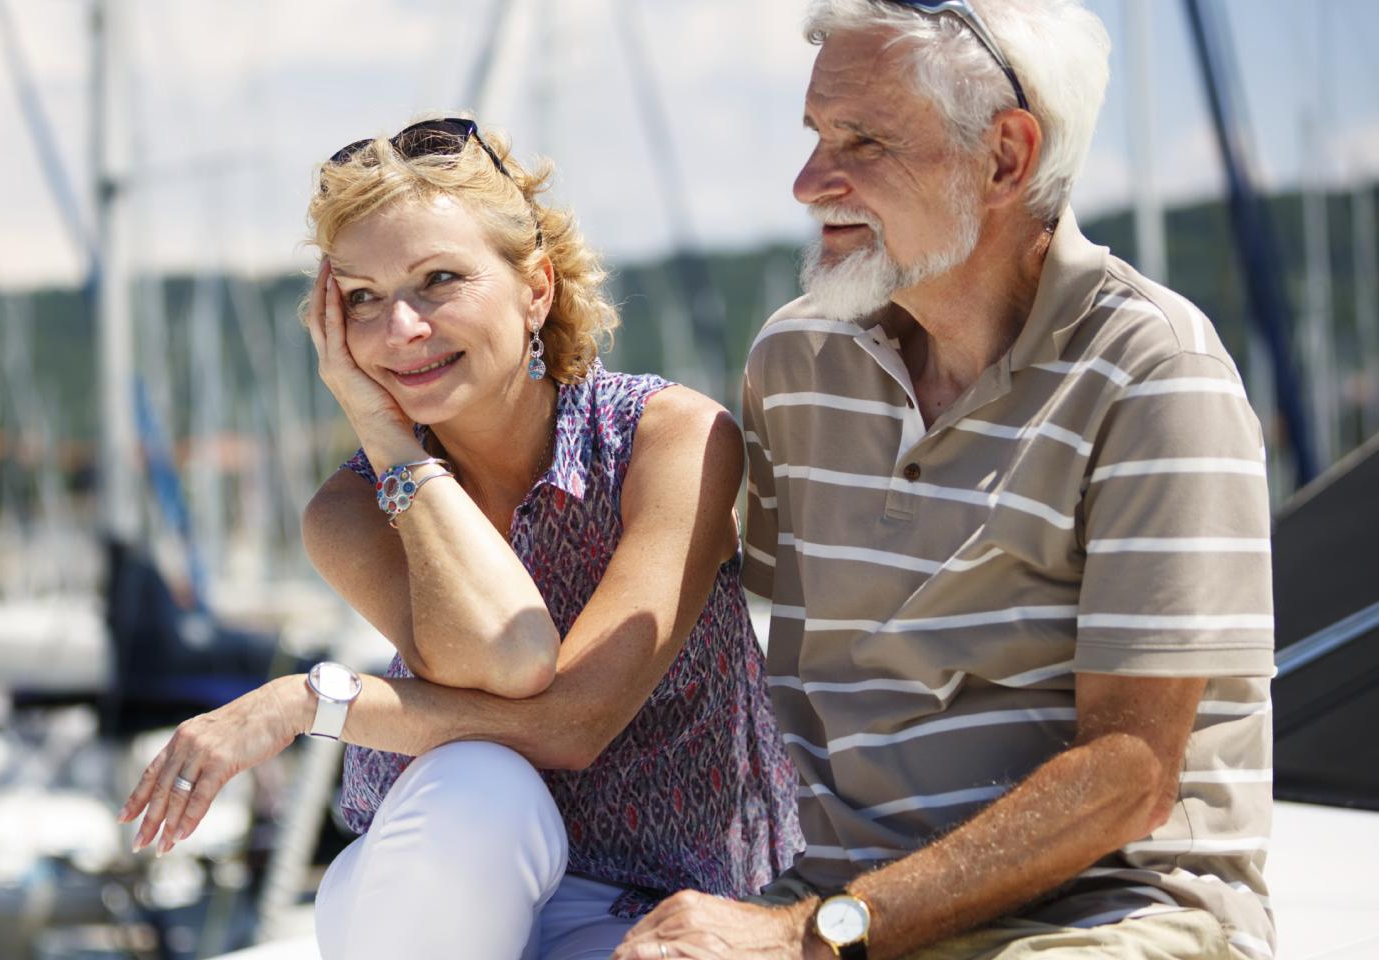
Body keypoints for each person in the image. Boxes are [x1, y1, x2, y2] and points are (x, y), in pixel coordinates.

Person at [615, 1, 1274, 959]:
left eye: (864, 141)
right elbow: (706, 634)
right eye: (816, 136)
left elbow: (1130, 775)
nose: (808, 182)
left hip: (1108, 913)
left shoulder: (1154, 373)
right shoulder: (798, 361)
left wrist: (813, 934)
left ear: (1006, 156)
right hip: (841, 899)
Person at [117, 117, 799, 959]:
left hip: (672, 907)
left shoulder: (670, 441)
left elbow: (573, 722)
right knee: (485, 787)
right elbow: (507, 660)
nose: (400, 329)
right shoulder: (352, 508)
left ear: (536, 289)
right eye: (362, 297)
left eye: (437, 280)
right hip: (430, 883)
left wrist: (307, 701)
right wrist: (387, 436)